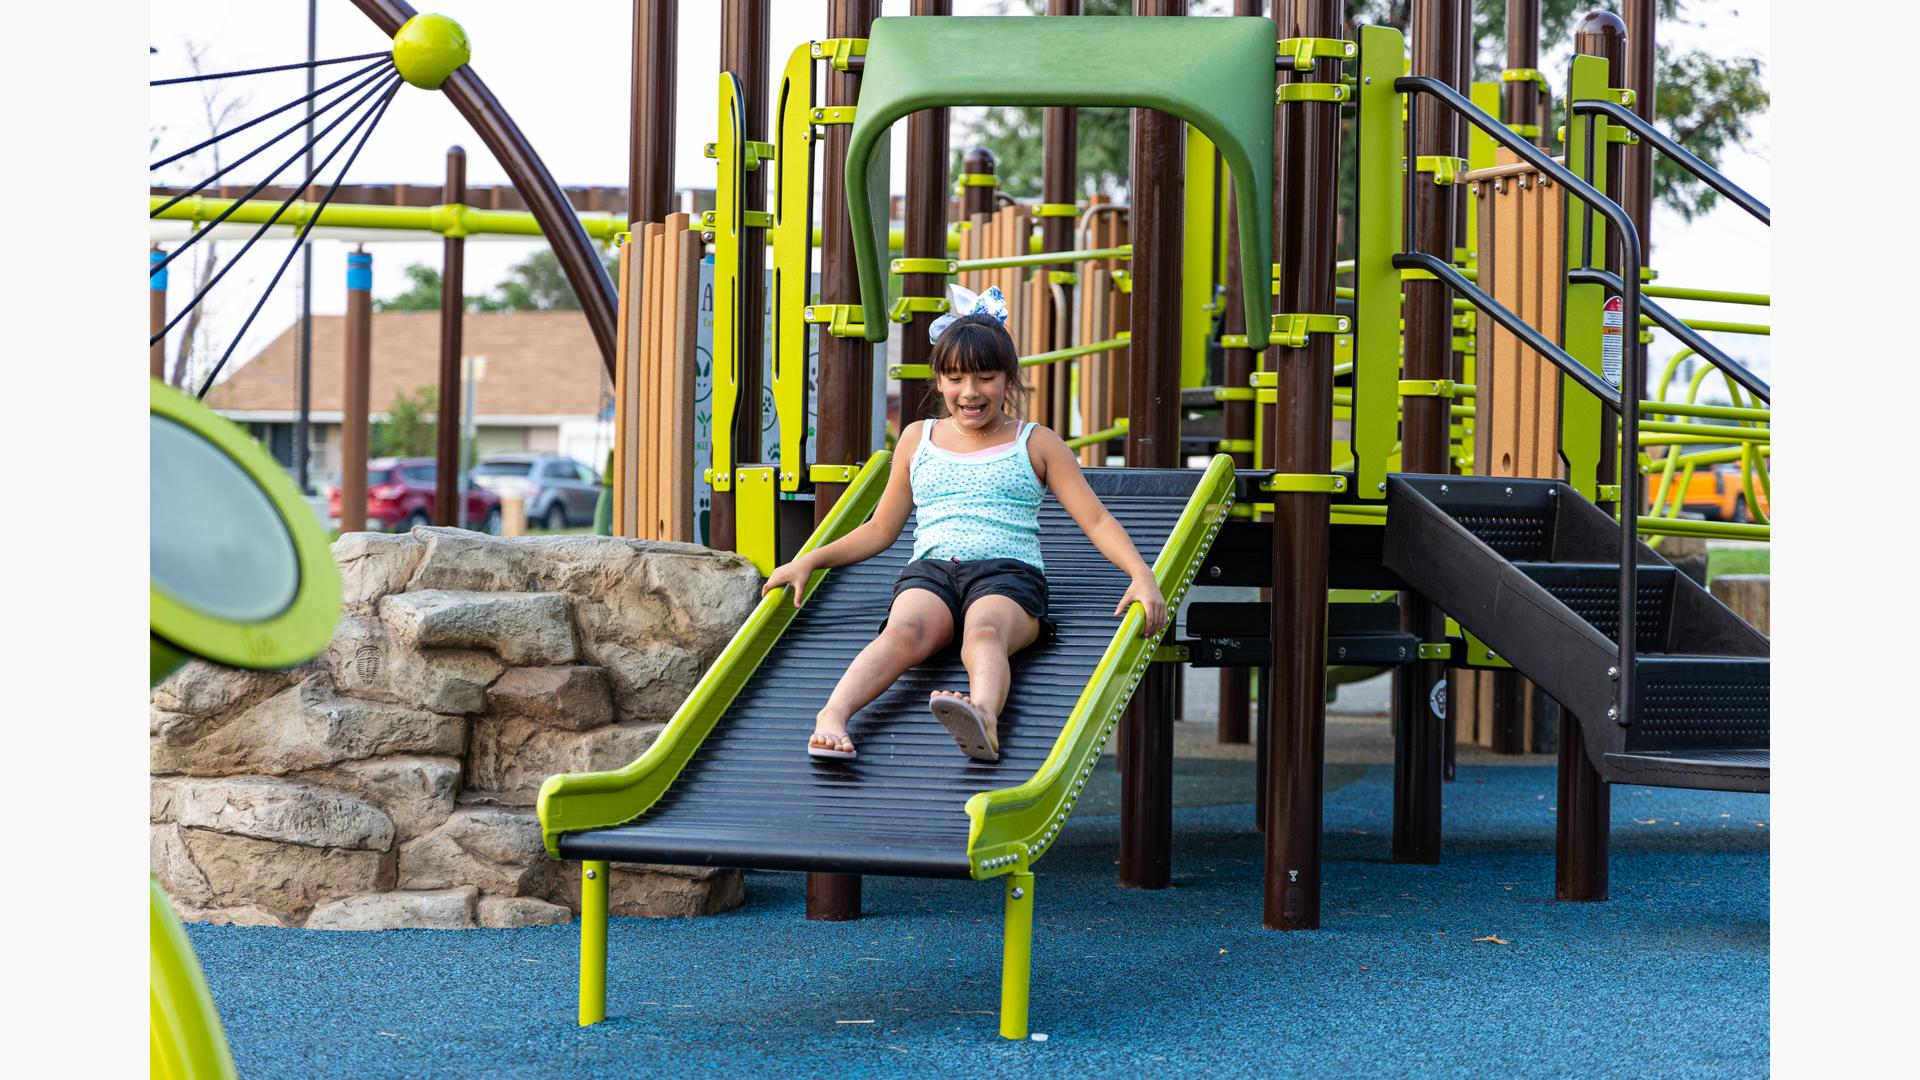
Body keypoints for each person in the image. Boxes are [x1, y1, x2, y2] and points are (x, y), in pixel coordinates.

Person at [760, 285, 1169, 762]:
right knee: (903, 631)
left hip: (1006, 575)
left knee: (984, 633)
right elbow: (880, 530)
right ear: (938, 381)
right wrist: (809, 560)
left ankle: (983, 717)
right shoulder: (918, 439)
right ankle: (832, 714)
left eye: (986, 378)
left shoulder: (1036, 443)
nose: (970, 393)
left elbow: (1095, 519)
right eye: (955, 378)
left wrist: (1142, 575)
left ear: (1008, 379)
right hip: (932, 571)